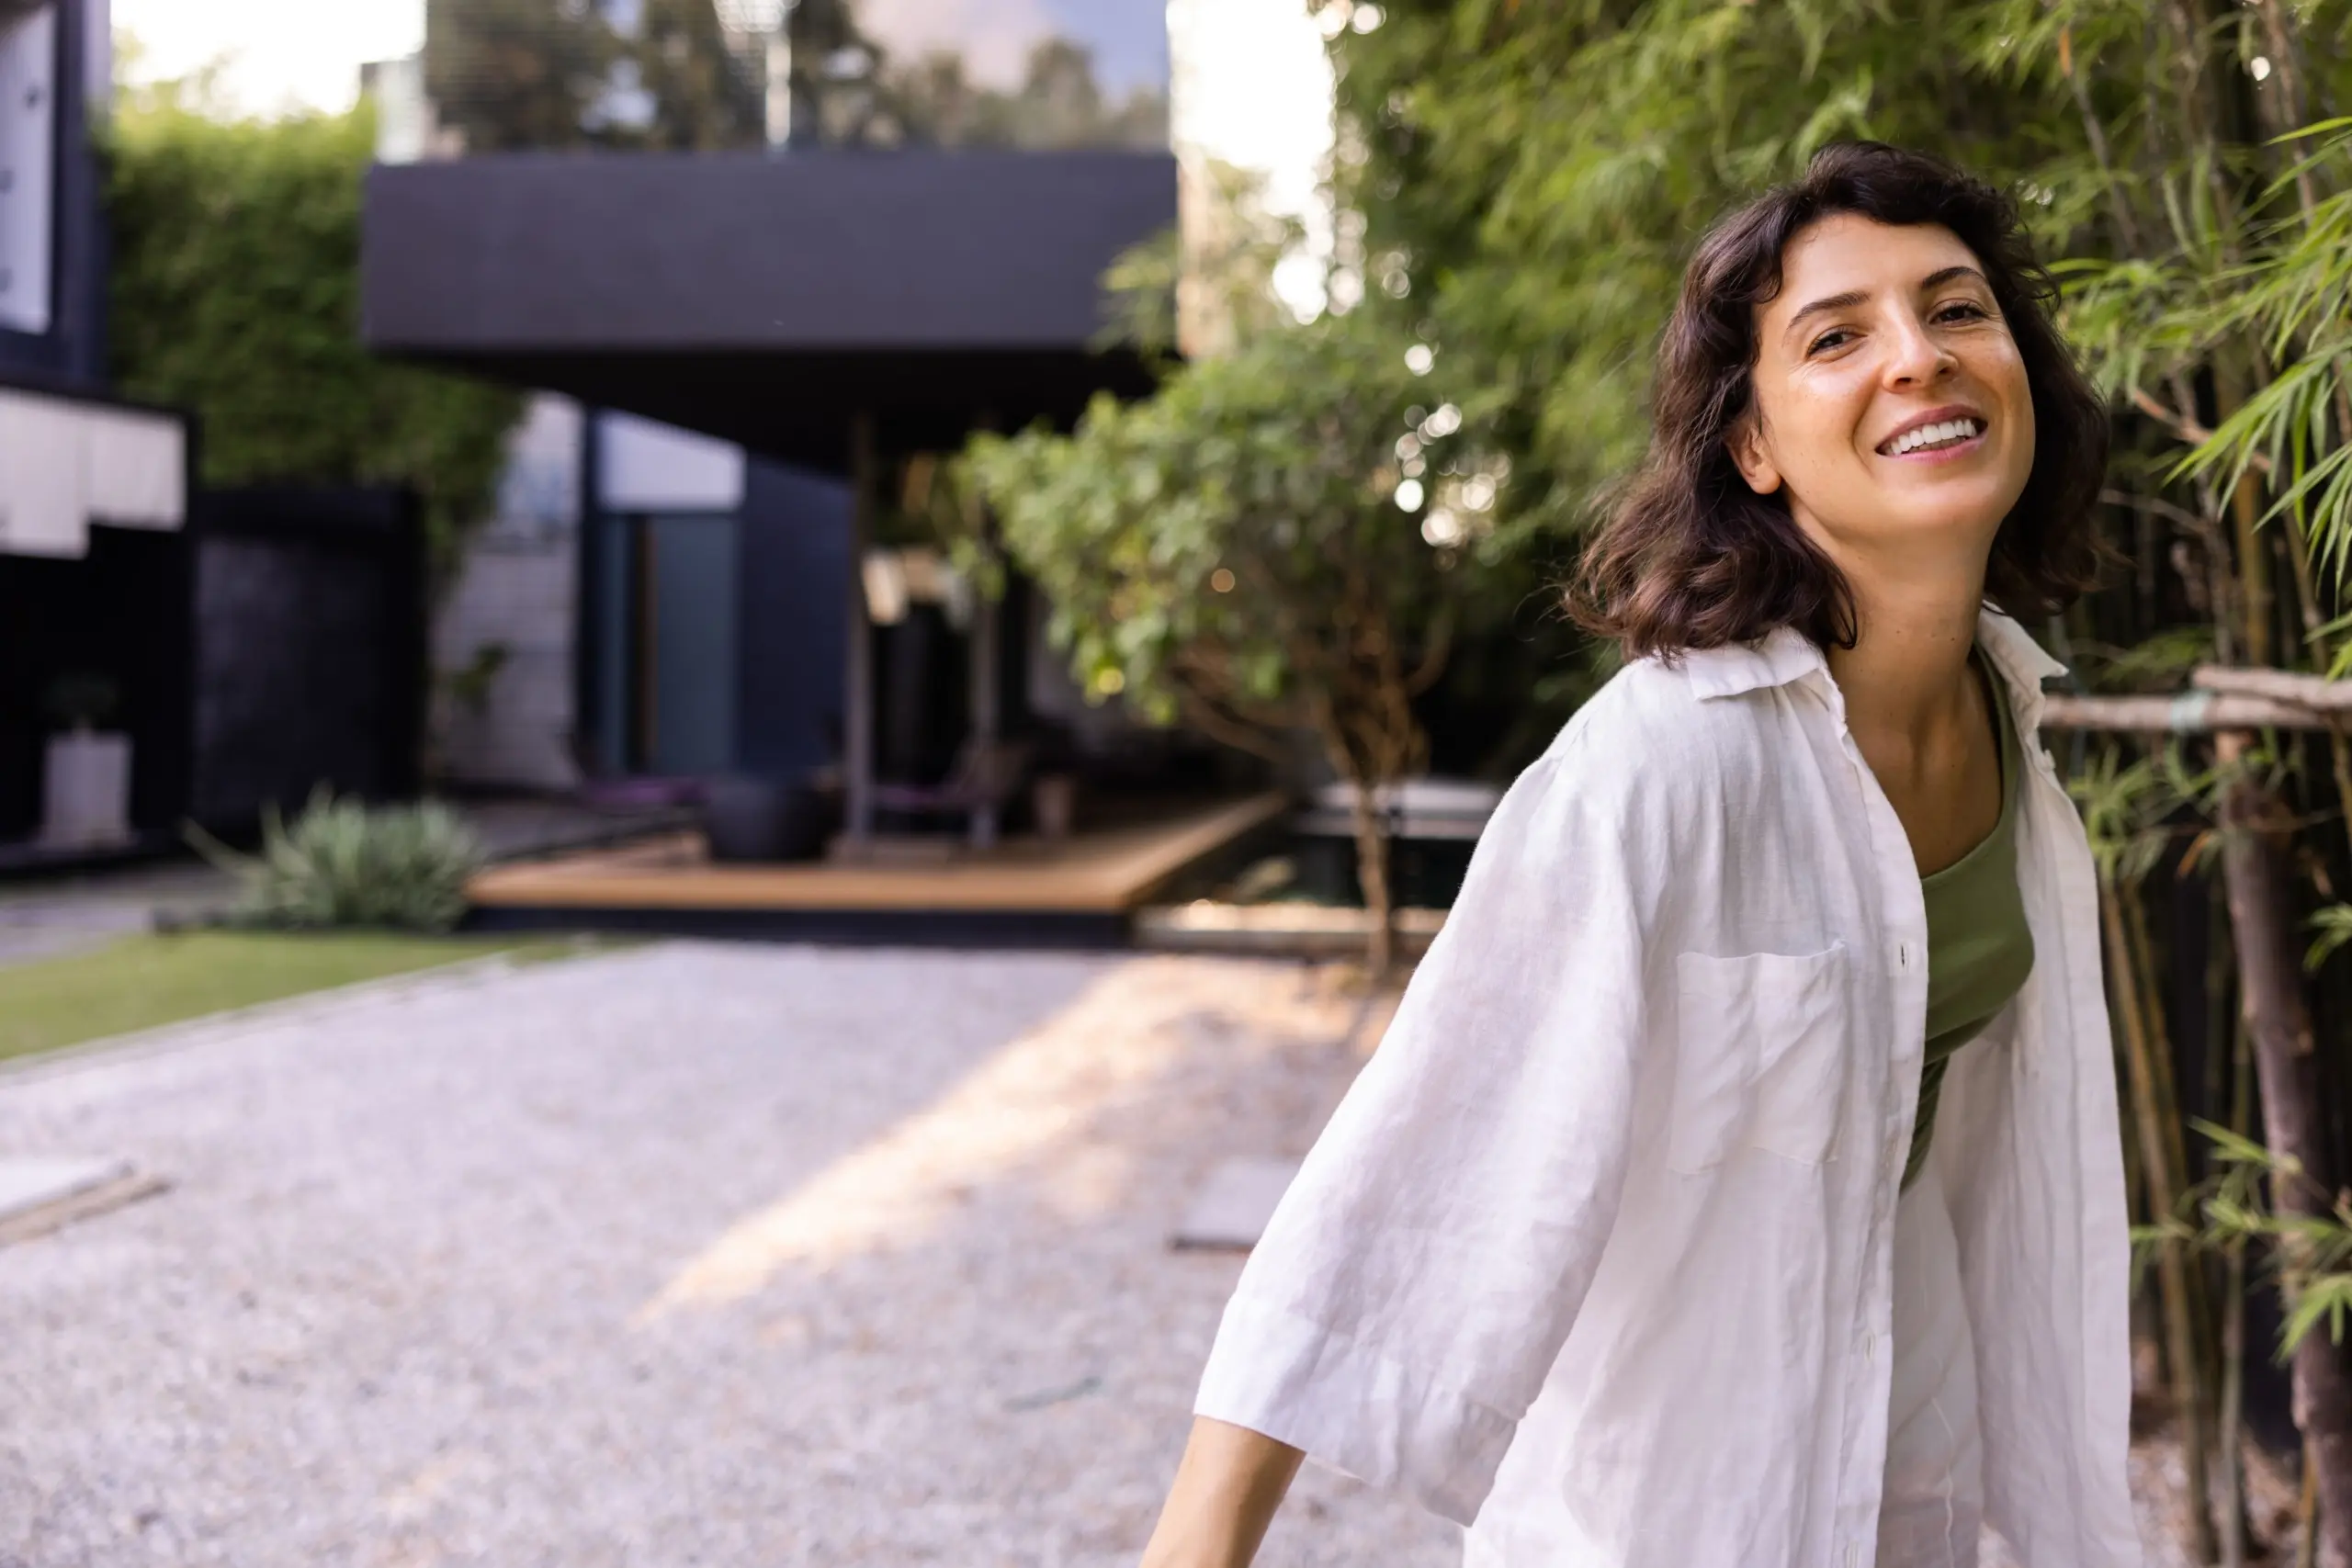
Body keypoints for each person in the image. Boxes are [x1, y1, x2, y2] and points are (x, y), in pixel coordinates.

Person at [1137, 142, 2138, 1568]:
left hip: (1904, 1446)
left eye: (1958, 307)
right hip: (1673, 1493)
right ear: (1756, 447)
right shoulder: (1664, 765)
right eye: (1837, 335)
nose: (1919, 358)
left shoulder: (2018, 731)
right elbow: (1416, 1162)